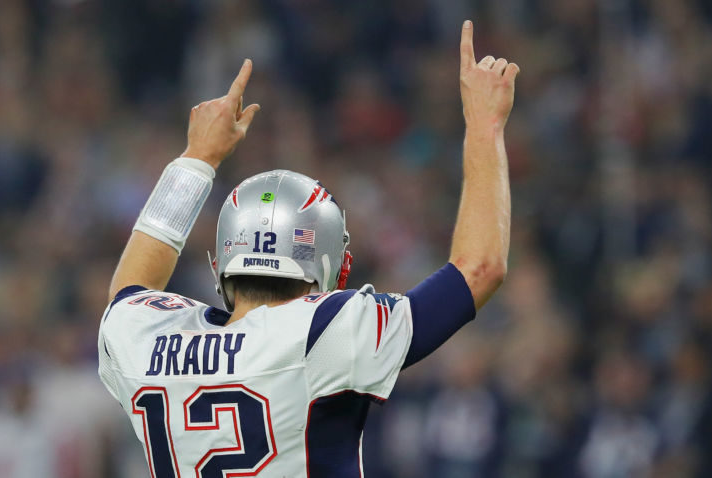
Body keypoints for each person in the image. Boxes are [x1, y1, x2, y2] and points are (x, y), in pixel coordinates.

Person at [97, 20, 518, 477]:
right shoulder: (323, 328)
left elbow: (131, 287)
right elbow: (479, 268)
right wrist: (485, 125)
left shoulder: (149, 339)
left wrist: (197, 158)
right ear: (330, 266)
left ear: (220, 265)